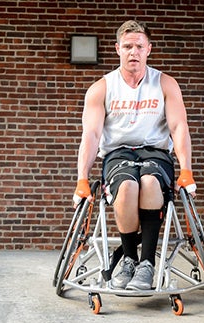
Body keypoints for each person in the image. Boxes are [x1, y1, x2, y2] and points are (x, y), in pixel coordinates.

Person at [73, 20, 196, 290]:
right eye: (127, 46)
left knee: (150, 182)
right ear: (118, 49)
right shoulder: (101, 88)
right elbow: (91, 134)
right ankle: (129, 258)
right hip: (118, 154)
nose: (133, 52)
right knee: (128, 186)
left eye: (139, 46)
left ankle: (147, 264)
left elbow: (179, 127)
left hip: (155, 153)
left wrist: (186, 170)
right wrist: (82, 178)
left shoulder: (165, 83)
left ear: (148, 49)